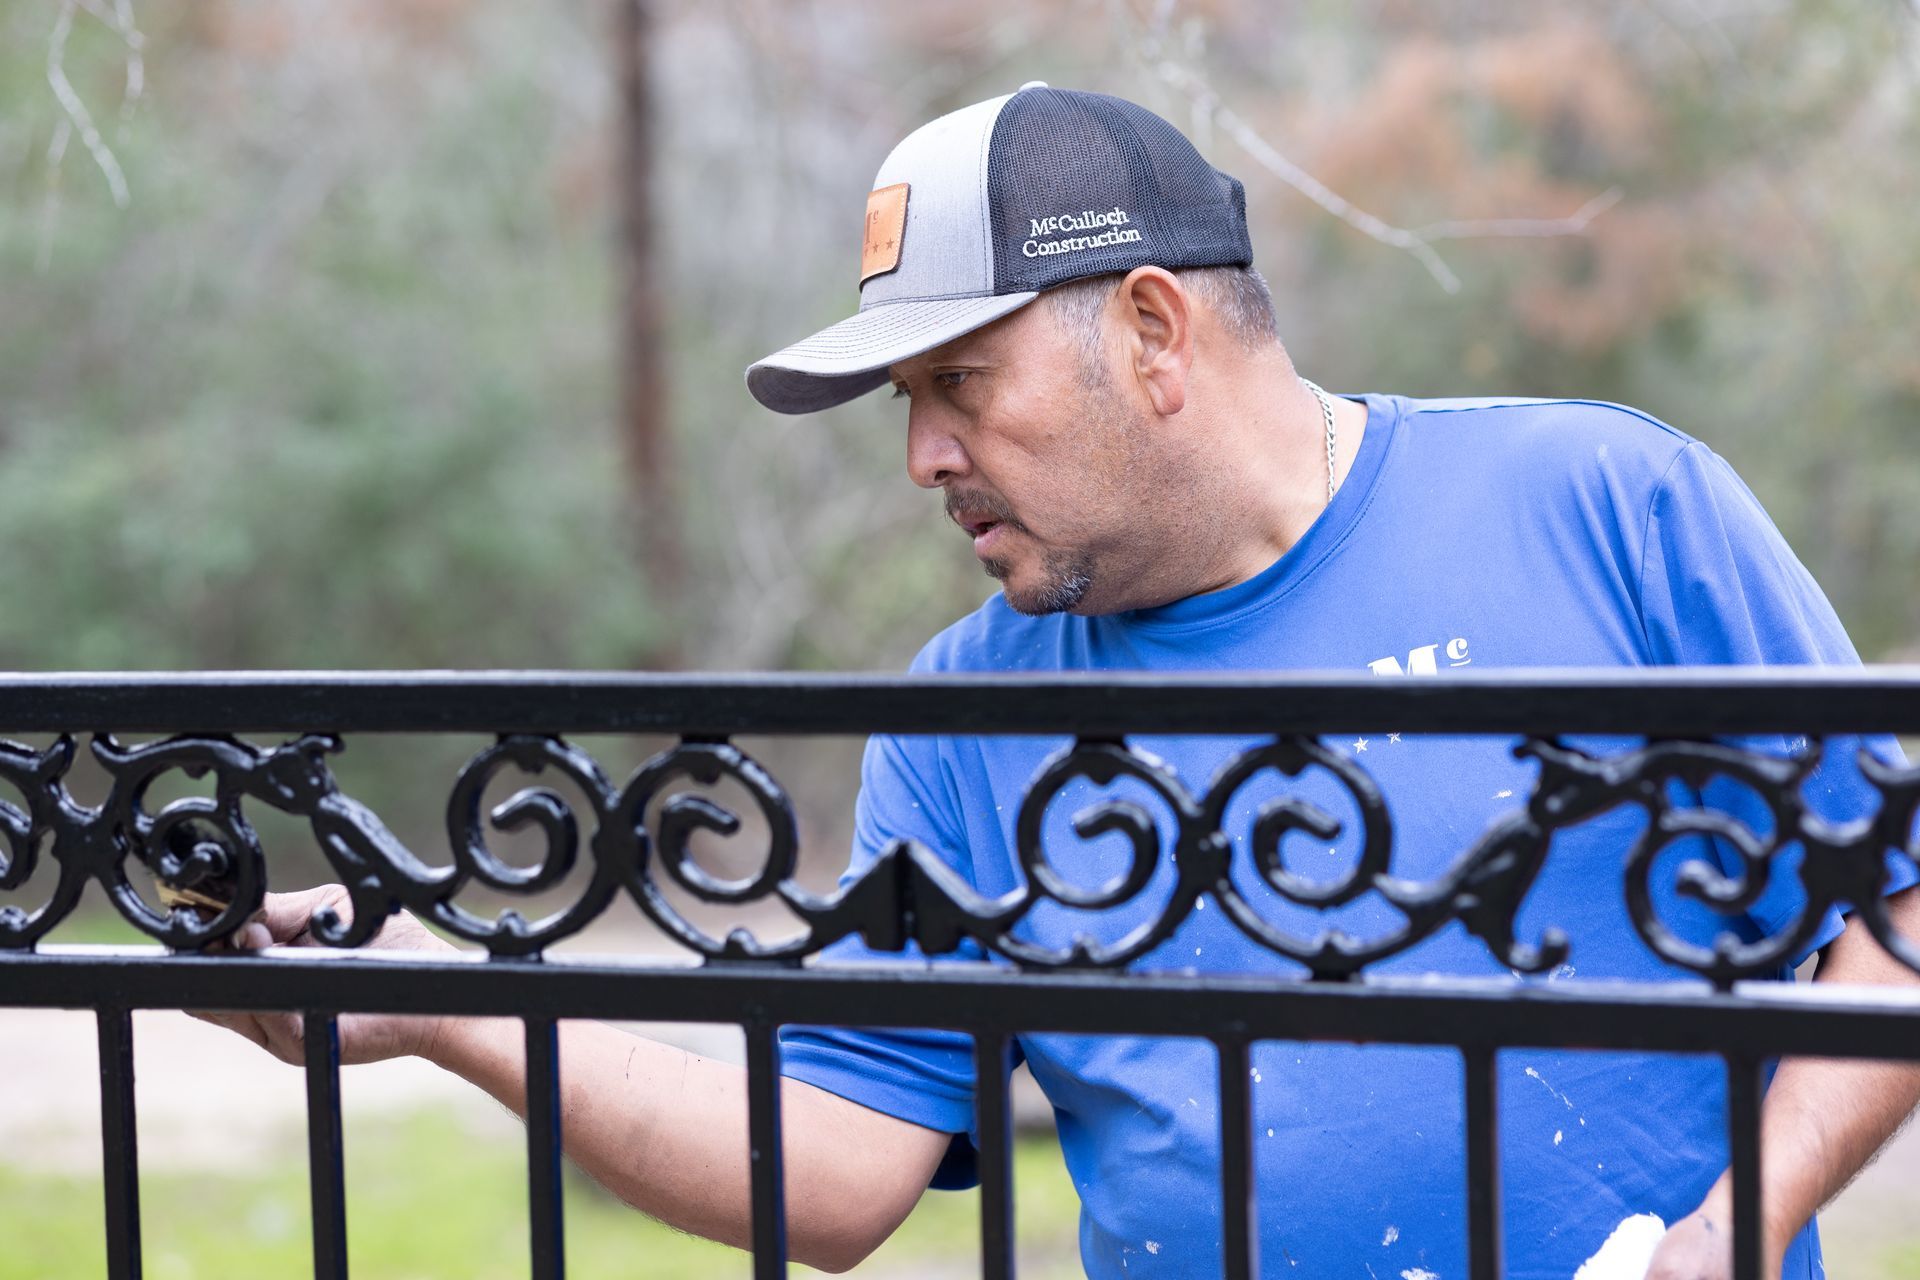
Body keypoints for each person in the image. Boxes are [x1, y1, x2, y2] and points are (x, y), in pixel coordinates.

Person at [201, 84, 1920, 1278]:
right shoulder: (966, 713)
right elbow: (837, 1170)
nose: (924, 457)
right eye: (902, 405)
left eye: (962, 381)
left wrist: (1737, 1227)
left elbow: (1904, 904)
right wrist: (451, 1005)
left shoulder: (1606, 504)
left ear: (1157, 334)